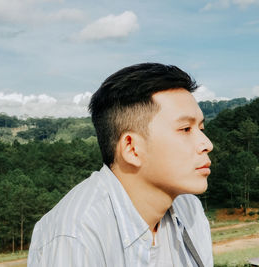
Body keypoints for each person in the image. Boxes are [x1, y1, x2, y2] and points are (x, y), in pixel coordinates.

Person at [28, 63, 213, 267]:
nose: (207, 144)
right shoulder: (76, 235)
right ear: (131, 148)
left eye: (201, 128)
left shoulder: (189, 208)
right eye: (186, 129)